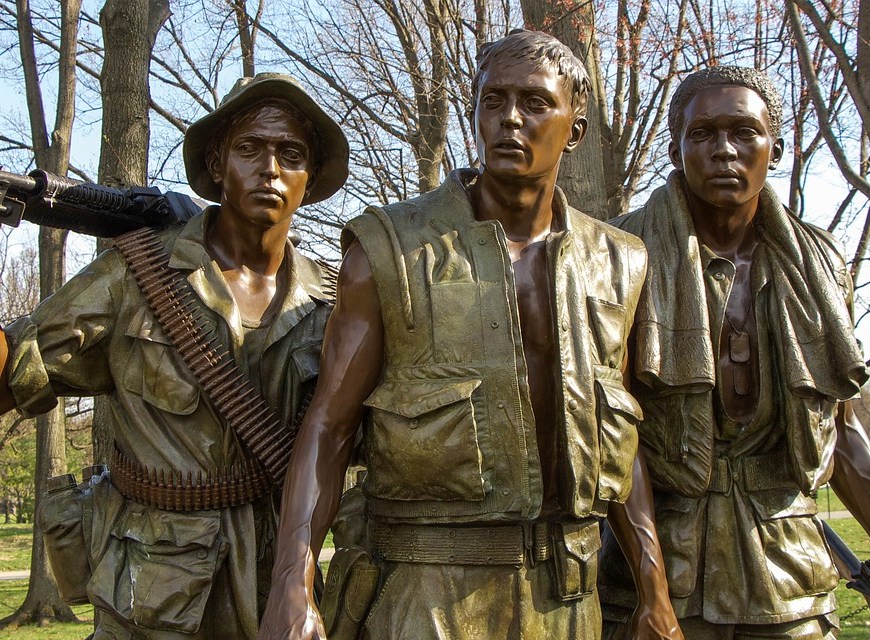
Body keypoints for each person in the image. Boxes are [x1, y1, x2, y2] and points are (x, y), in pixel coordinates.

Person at [260, 29, 681, 640]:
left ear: (576, 130)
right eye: (493, 100)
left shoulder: (620, 262)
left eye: (535, 102)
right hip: (425, 591)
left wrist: (653, 590)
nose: (510, 118)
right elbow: (329, 424)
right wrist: (292, 583)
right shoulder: (390, 248)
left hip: (569, 596)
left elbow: (618, 434)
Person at [0, 72, 349, 639]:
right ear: (217, 165)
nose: (270, 168)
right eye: (249, 148)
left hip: (280, 584)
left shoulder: (334, 302)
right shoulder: (137, 274)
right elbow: (17, 364)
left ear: (309, 180)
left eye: (291, 155)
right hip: (152, 590)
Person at [600, 66, 870, 639]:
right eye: (702, 133)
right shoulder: (618, 256)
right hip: (663, 571)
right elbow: (612, 436)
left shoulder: (821, 266)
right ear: (676, 150)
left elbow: (840, 431)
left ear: (776, 149)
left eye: (745, 132)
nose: (724, 150)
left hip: (788, 573)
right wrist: (652, 591)